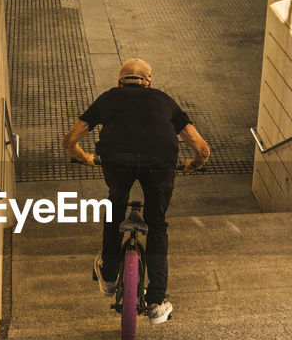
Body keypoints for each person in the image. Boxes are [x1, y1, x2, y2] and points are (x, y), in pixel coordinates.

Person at [62, 58, 210, 324]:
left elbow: (70, 140)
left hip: (117, 160)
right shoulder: (164, 101)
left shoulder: (109, 98)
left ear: (119, 82)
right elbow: (202, 149)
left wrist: (83, 156)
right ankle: (156, 301)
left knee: (114, 209)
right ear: (149, 82)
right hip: (160, 163)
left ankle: (108, 276)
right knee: (157, 224)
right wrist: (193, 165)